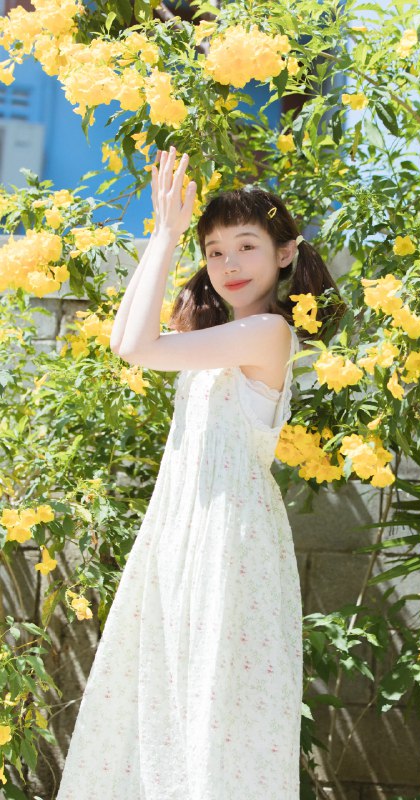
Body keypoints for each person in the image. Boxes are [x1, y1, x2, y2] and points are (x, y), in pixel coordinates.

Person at [56, 147, 346, 799]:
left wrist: (165, 234)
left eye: (246, 246)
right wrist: (166, 239)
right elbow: (125, 341)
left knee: (216, 713)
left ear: (284, 254)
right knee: (164, 705)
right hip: (182, 532)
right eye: (214, 251)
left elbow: (135, 346)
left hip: (227, 541)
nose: (229, 264)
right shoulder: (222, 337)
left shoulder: (269, 332)